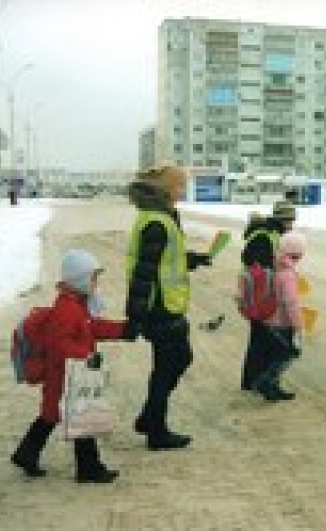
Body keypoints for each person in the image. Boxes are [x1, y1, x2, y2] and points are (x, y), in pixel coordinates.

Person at [11, 249, 133, 483]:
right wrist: (86, 356)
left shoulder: (76, 305)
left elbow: (91, 328)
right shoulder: (67, 310)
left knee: (52, 416)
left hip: (70, 372)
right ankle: (89, 469)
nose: (96, 283)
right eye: (93, 277)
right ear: (80, 279)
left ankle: (27, 454)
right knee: (81, 417)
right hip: (64, 373)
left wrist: (122, 330)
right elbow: (59, 345)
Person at [125, 164, 213, 450]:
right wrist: (137, 315)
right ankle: (156, 429)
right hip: (159, 307)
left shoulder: (162, 217)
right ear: (164, 189)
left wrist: (193, 259)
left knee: (177, 360)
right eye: (179, 186)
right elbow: (144, 271)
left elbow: (166, 259)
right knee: (168, 366)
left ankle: (151, 418)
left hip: (167, 305)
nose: (182, 191)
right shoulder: (156, 221)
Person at [240, 200, 296, 391]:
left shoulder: (271, 234)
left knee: (260, 339)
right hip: (261, 295)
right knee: (268, 341)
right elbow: (255, 262)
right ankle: (263, 383)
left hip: (259, 294)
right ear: (283, 219)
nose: (292, 224)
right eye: (290, 220)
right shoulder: (265, 235)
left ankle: (253, 383)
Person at [252, 231, 307, 401]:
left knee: (276, 354)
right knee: (289, 353)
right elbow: (291, 303)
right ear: (297, 252)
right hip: (282, 322)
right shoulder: (288, 274)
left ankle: (272, 387)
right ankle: (265, 382)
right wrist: (299, 327)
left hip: (270, 320)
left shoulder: (276, 267)